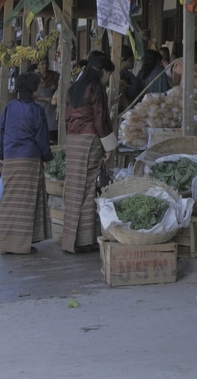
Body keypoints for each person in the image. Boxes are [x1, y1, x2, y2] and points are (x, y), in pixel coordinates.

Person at [62, 54, 115, 253]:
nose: (108, 79)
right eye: (109, 74)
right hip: (90, 138)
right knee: (88, 186)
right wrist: (109, 146)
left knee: (74, 187)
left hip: (73, 139)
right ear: (102, 71)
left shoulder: (74, 88)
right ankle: (84, 240)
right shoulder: (95, 88)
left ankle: (70, 239)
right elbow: (101, 118)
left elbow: (67, 118)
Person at [0, 72, 53, 255]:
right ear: (33, 89)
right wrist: (46, 158)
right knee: (26, 203)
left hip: (11, 158)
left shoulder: (10, 107)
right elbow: (41, 137)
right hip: (29, 158)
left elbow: (2, 132)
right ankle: (22, 245)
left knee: (10, 202)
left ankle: (8, 243)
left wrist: (2, 154)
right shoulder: (36, 110)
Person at [34, 60, 60, 143]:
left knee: (52, 133)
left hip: (52, 109)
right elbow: (33, 96)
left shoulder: (54, 75)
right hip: (40, 106)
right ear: (38, 66)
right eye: (42, 64)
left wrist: (57, 86)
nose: (45, 66)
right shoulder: (35, 77)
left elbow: (63, 82)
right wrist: (45, 99)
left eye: (46, 64)